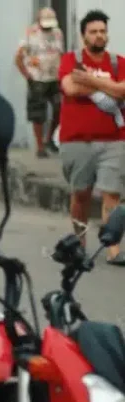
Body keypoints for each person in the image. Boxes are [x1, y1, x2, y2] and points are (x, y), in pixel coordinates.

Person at [58, 9, 125, 265]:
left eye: (102, 31)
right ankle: (80, 244)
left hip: (114, 139)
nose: (99, 36)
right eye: (93, 32)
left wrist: (90, 80)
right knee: (81, 195)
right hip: (76, 140)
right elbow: (70, 87)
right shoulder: (69, 60)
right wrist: (109, 86)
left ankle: (113, 250)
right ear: (83, 35)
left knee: (113, 194)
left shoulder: (118, 62)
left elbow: (123, 92)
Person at [15, 7, 64, 158]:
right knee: (38, 113)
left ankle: (49, 139)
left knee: (59, 108)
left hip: (55, 77)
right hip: (37, 78)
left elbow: (61, 54)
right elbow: (18, 57)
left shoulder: (57, 33)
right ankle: (40, 146)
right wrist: (27, 75)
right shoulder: (30, 33)